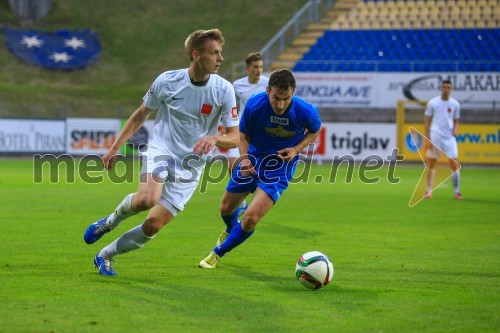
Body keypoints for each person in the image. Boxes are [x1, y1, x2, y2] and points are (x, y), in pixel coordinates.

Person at [83, 28, 240, 276]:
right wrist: (114, 148)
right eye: (214, 53)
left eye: (221, 52)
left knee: (152, 225)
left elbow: (235, 137)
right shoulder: (167, 81)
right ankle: (109, 221)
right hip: (162, 150)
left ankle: (104, 256)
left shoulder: (224, 90)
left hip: (191, 166)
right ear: (196, 54)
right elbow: (141, 115)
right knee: (146, 199)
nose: (221, 58)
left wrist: (215, 138)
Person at [199, 69, 322, 269]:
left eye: (286, 99)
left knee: (250, 219)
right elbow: (243, 135)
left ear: (293, 92)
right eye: (276, 98)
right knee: (225, 210)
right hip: (253, 161)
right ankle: (231, 228)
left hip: (280, 169)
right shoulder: (255, 105)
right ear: (267, 91)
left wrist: (296, 149)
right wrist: (245, 158)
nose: (281, 105)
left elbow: (315, 130)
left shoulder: (305, 111)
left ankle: (217, 253)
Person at [229, 52, 269, 216]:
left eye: (260, 67)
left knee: (257, 169)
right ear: (247, 69)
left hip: (259, 132)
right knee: (232, 167)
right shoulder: (237, 85)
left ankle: (254, 199)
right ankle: (242, 202)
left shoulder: (268, 83)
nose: (258, 70)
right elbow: (230, 106)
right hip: (241, 130)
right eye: (255, 67)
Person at [424, 79, 462, 200]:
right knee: (432, 163)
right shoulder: (433, 103)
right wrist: (428, 138)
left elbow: (456, 121)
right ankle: (428, 190)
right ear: (441, 88)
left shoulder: (455, 104)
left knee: (453, 163)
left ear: (451, 89)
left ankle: (456, 191)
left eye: (448, 87)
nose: (446, 89)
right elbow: (427, 122)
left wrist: (455, 129)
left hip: (449, 137)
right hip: (435, 135)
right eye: (444, 87)